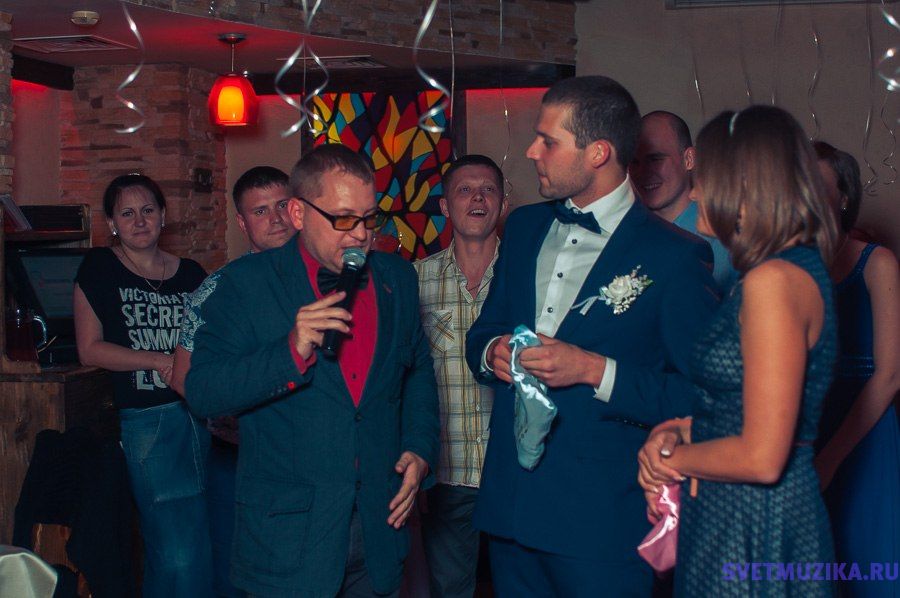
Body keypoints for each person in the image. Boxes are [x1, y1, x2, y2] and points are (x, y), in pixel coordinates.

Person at [464, 76, 718, 596]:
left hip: (602, 523)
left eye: (548, 141)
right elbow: (484, 329)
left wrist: (594, 371)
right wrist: (492, 352)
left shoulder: (675, 255)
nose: (532, 152)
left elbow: (704, 396)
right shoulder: (524, 228)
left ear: (598, 152)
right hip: (511, 511)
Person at [184, 143, 440, 597]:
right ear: (298, 213)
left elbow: (417, 369)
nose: (359, 235)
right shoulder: (242, 285)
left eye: (369, 218)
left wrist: (419, 449)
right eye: (343, 219)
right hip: (287, 541)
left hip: (380, 529)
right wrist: (290, 349)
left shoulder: (397, 279)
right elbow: (203, 391)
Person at [637, 106, 839, 596]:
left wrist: (674, 459)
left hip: (753, 524)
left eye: (707, 177)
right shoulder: (786, 268)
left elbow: (763, 456)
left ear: (745, 184)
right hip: (739, 514)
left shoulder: (773, 281)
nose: (696, 192)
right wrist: (681, 428)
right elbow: (751, 410)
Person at [73, 173, 212, 597]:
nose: (139, 221)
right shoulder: (100, 267)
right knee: (174, 548)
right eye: (127, 213)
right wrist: (158, 359)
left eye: (148, 210)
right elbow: (90, 349)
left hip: (199, 415)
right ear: (112, 223)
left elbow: (211, 342)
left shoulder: (191, 274)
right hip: (149, 420)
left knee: (197, 542)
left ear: (163, 215)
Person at [171, 165, 294, 598]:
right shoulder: (218, 289)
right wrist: (236, 424)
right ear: (242, 223)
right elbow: (184, 377)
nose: (276, 219)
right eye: (261, 211)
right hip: (241, 457)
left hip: (313, 456)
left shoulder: (332, 275)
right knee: (239, 574)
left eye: (283, 205)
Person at [413, 155, 507, 597]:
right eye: (465, 190)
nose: (477, 198)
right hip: (447, 472)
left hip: (515, 469)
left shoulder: (528, 278)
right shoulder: (416, 280)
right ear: (445, 206)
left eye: (488, 189)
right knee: (450, 589)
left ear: (502, 203)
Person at [814, 141, 900, 596]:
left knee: (867, 566)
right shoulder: (791, 267)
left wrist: (829, 459)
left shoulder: (876, 262)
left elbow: (891, 375)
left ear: (844, 196)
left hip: (865, 427)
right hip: (809, 422)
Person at [630, 110, 738, 293]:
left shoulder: (725, 234)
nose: (643, 173)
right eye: (634, 162)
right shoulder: (627, 233)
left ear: (689, 159)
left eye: (655, 159)